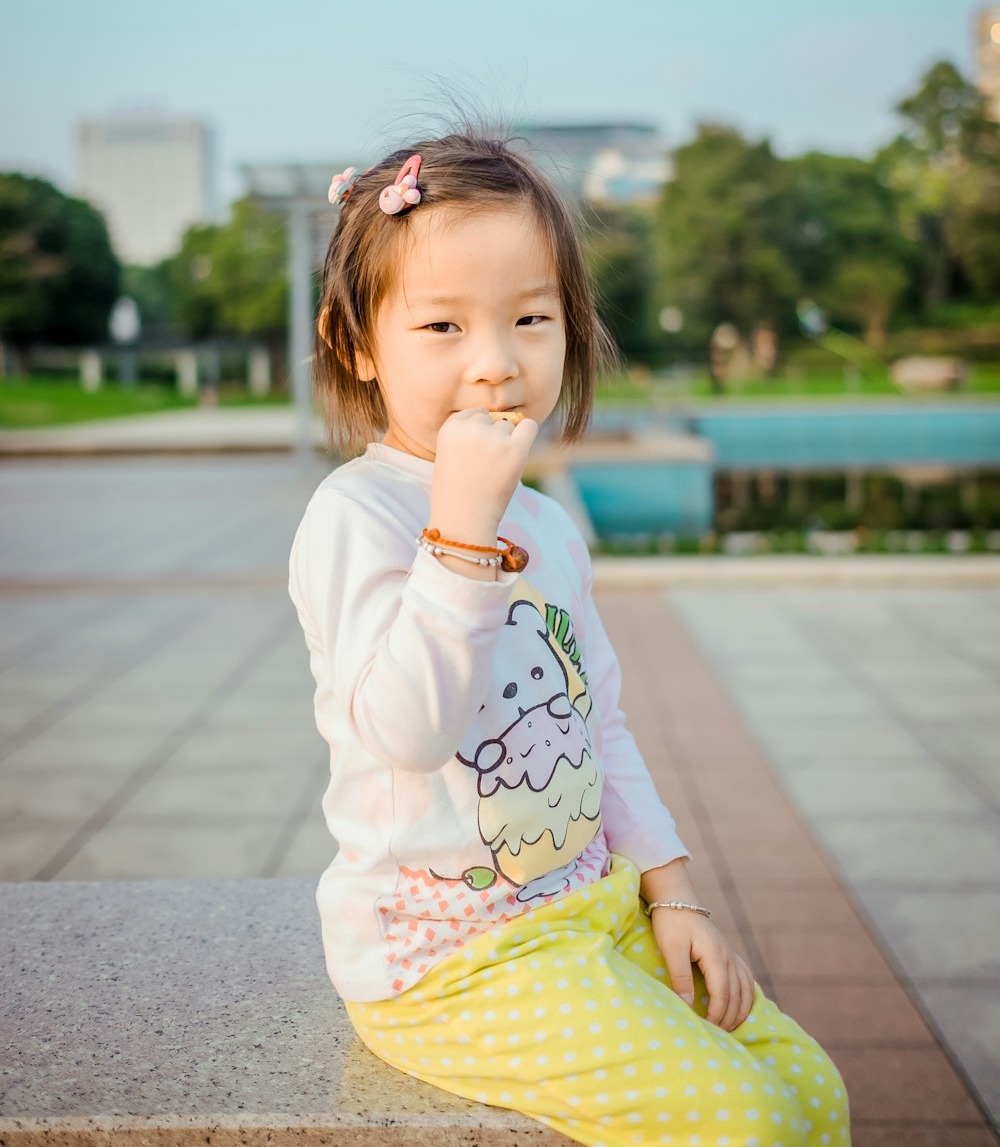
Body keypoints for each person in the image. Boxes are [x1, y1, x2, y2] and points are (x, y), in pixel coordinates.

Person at [288, 130, 850, 1147]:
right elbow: (404, 733)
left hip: (588, 911)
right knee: (741, 1121)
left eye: (530, 318)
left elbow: (600, 723)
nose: (496, 363)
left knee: (811, 1094)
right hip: (448, 959)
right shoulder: (357, 516)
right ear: (357, 344)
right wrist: (456, 535)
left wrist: (671, 892)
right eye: (443, 326)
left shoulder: (545, 525)